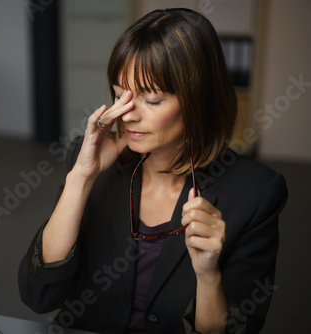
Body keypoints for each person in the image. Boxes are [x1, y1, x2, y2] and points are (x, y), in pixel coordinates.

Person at [18, 8, 288, 334]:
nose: (128, 114)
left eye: (153, 99)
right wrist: (80, 178)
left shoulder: (256, 193)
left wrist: (207, 274)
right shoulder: (89, 162)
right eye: (120, 95)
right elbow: (39, 295)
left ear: (198, 100)